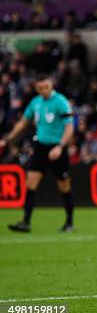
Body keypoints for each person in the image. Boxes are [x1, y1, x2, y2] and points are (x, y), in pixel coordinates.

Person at [1, 74, 75, 233]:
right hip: (40, 148)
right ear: (36, 88)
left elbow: (69, 127)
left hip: (57, 149)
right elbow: (23, 123)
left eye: (46, 87)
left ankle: (69, 222)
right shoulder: (36, 103)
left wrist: (60, 146)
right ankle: (26, 222)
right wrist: (7, 140)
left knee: (64, 186)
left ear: (51, 85)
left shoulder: (61, 102)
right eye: (40, 88)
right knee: (30, 183)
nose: (44, 90)